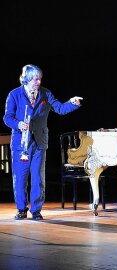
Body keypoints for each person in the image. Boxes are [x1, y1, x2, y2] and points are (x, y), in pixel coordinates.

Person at [3, 64, 82, 220]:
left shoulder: (45, 94)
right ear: (27, 79)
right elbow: (7, 117)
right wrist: (18, 124)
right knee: (20, 178)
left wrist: (72, 103)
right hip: (21, 144)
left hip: (39, 143)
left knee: (38, 178)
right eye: (35, 79)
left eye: (40, 79)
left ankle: (36, 210)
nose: (38, 82)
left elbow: (59, 108)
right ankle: (21, 209)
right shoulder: (14, 95)